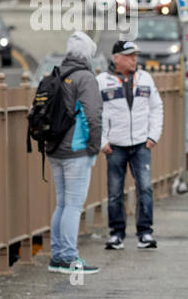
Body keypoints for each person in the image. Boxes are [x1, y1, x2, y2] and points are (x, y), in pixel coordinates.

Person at [47, 31, 104, 275]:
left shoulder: (56, 74)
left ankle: (57, 256)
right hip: (77, 149)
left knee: (62, 203)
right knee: (73, 204)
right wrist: (94, 145)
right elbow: (93, 115)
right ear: (88, 54)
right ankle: (69, 257)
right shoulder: (85, 78)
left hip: (54, 148)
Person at [98, 39, 164, 250]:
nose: (134, 59)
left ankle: (145, 232)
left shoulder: (145, 78)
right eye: (129, 56)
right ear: (116, 58)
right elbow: (94, 113)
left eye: (135, 55)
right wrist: (102, 141)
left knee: (144, 188)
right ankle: (116, 233)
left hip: (140, 144)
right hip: (115, 145)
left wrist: (153, 135)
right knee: (115, 190)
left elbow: (156, 108)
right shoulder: (102, 81)